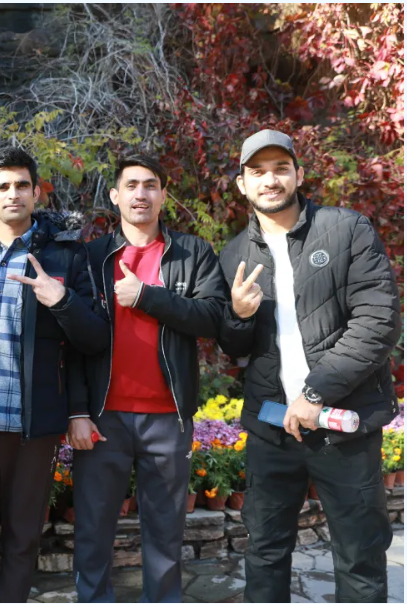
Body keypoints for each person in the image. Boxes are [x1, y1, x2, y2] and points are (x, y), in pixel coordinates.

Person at [220, 129, 401, 603]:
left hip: (343, 426)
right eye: (257, 172)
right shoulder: (234, 254)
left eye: (281, 168)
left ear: (299, 175)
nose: (270, 180)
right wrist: (237, 316)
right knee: (264, 553)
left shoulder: (346, 229)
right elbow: (234, 346)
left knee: (359, 557)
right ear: (242, 184)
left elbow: (378, 322)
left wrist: (315, 393)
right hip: (272, 429)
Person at [68, 155, 231, 603]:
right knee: (92, 529)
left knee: (165, 533)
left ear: (163, 195)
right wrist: (77, 410)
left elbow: (212, 317)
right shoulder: (91, 256)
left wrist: (147, 297)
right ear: (115, 196)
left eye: (151, 185)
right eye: (132, 185)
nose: (141, 194)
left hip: (167, 418)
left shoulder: (192, 253)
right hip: (104, 418)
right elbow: (73, 340)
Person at [0, 146, 100, 603]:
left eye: (22, 185)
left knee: (23, 535)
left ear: (36, 193)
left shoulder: (66, 256)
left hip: (33, 428)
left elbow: (94, 340)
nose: (13, 194)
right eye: (3, 186)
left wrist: (62, 301)